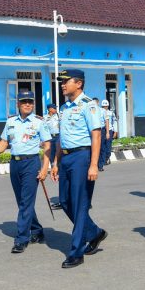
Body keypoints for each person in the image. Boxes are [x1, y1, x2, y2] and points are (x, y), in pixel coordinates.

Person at [51, 69, 107, 269]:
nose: (63, 85)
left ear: (79, 84)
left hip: (82, 157)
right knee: (65, 201)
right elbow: (60, 138)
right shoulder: (65, 108)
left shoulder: (89, 105)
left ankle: (76, 252)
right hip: (66, 158)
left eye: (67, 81)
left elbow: (96, 136)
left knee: (80, 203)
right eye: (62, 82)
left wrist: (93, 164)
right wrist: (56, 163)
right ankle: (94, 232)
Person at [0, 91, 51, 253]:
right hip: (15, 164)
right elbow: (4, 141)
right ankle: (36, 230)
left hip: (31, 163)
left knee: (25, 202)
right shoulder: (11, 122)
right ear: (18, 104)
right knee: (22, 201)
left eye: (30, 101)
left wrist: (44, 168)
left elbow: (48, 145)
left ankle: (22, 238)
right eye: (24, 102)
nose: (27, 104)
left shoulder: (39, 122)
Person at [44, 103, 63, 210]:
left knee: (59, 156)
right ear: (49, 109)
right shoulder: (45, 118)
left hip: (58, 137)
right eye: (53, 108)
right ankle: (54, 168)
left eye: (56, 108)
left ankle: (58, 169)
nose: (55, 109)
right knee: (52, 156)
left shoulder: (59, 116)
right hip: (50, 138)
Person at [93, 97, 108, 172]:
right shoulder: (90, 111)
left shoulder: (102, 111)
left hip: (101, 130)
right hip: (92, 131)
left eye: (95, 102)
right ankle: (94, 165)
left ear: (98, 103)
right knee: (94, 148)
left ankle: (100, 165)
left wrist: (108, 132)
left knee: (101, 148)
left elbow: (106, 121)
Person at [101, 99, 116, 166]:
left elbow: (114, 122)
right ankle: (104, 160)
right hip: (102, 130)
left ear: (108, 106)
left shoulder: (111, 113)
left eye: (106, 106)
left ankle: (107, 157)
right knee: (102, 146)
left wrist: (115, 131)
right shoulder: (100, 113)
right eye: (103, 106)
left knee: (108, 146)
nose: (105, 108)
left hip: (109, 130)